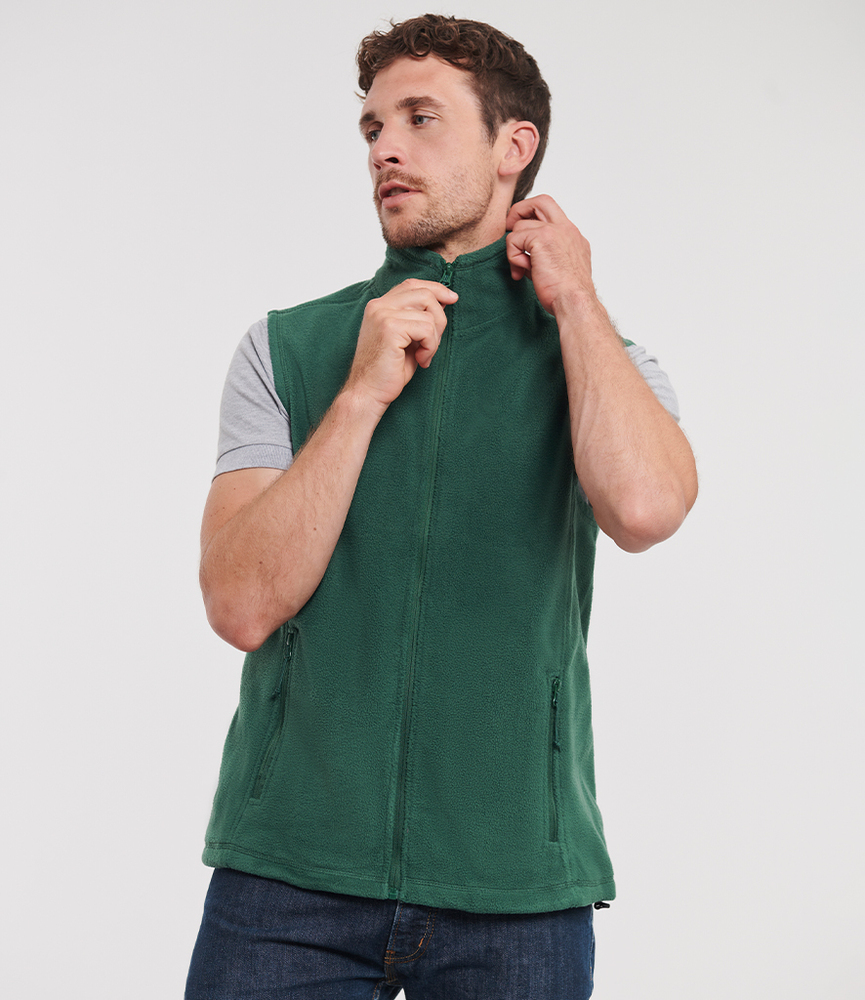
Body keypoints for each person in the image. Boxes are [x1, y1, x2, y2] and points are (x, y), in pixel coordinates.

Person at [185, 14, 698, 1000]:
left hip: (517, 886)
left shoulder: (601, 362)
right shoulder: (285, 349)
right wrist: (359, 396)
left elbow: (644, 507)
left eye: (421, 118)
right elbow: (240, 604)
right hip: (286, 880)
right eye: (373, 126)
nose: (385, 147)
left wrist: (576, 303)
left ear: (514, 147)